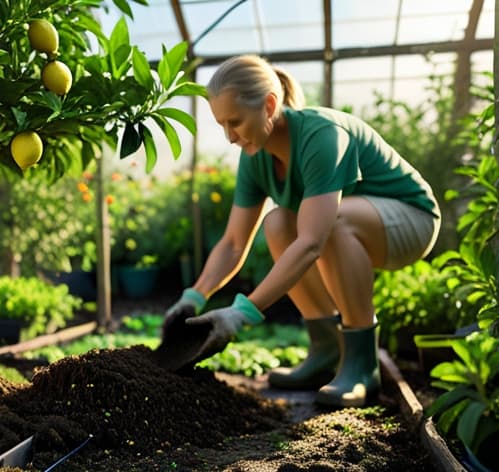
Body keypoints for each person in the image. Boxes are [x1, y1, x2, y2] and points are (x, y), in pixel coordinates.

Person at [162, 54, 440, 408]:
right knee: (277, 223)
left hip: (410, 220)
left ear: (269, 105)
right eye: (222, 125)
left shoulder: (321, 135)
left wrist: (242, 313)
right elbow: (233, 243)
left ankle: (361, 365)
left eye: (236, 122)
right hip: (356, 225)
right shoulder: (255, 156)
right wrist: (194, 297)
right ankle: (325, 352)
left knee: (331, 222)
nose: (230, 137)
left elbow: (312, 242)